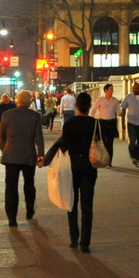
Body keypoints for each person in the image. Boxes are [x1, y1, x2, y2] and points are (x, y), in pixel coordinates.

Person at [42, 90, 98, 252]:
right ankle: (85, 244)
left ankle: (74, 238)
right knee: (87, 205)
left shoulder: (70, 124)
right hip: (89, 167)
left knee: (71, 201)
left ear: (76, 106)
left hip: (72, 166)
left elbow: (64, 146)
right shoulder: (95, 123)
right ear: (89, 106)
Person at [0, 89, 44, 226]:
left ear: (17, 101)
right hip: (28, 155)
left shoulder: (7, 115)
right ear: (29, 102)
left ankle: (12, 218)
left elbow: (1, 135)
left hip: (11, 155)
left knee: (11, 186)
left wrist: (4, 149)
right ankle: (29, 210)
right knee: (29, 184)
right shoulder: (35, 116)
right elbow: (38, 137)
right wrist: (41, 154)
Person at [90, 84, 120, 165]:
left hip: (112, 122)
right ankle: (103, 158)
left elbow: (118, 111)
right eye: (110, 89)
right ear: (106, 90)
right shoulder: (100, 100)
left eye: (112, 89)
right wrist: (89, 119)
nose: (112, 91)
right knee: (103, 142)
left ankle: (109, 161)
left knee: (110, 142)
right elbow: (93, 110)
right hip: (102, 123)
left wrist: (121, 112)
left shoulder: (115, 101)